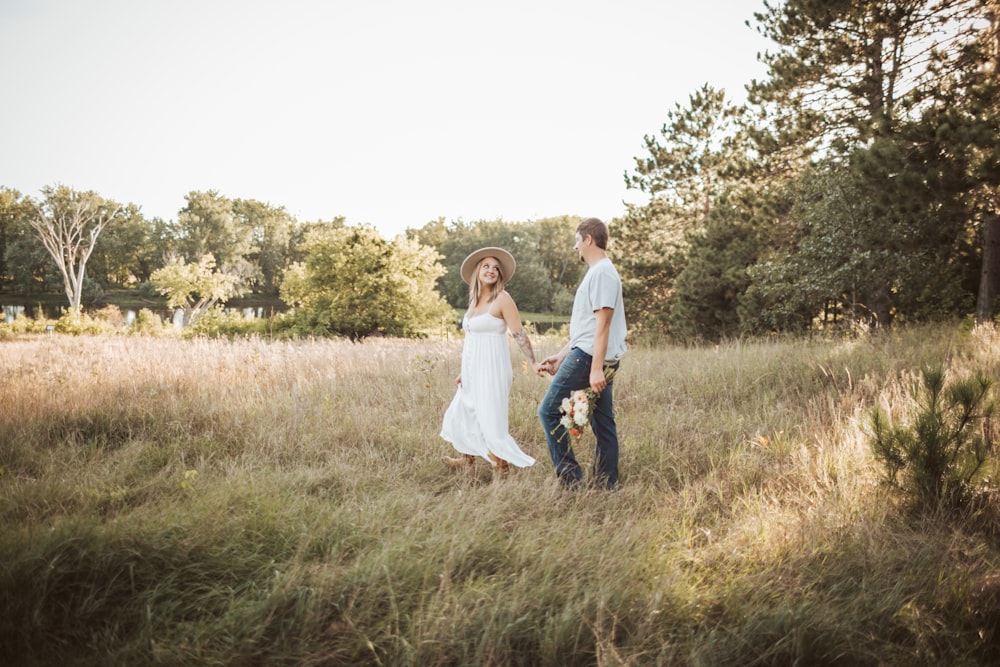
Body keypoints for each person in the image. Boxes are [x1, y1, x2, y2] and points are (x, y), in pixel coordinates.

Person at [537, 218, 627, 489]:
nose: (576, 247)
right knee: (603, 422)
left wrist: (595, 368)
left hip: (589, 359)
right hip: (586, 354)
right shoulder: (599, 272)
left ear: (588, 239)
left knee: (548, 412)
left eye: (577, 241)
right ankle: (606, 484)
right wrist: (561, 355)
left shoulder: (602, 273)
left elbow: (603, 324)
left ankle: (570, 480)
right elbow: (588, 328)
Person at [440, 247, 541, 475]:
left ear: (500, 276)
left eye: (496, 268)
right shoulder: (475, 300)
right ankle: (467, 458)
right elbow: (471, 339)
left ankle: (501, 467)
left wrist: (533, 362)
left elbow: (519, 334)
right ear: (477, 271)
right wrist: (463, 371)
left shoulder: (502, 299)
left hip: (492, 369)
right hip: (472, 369)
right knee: (463, 411)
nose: (491, 270)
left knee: (489, 420)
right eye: (486, 266)